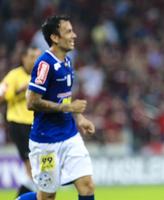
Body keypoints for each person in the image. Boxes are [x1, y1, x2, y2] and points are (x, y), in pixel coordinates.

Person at [17, 15, 96, 200]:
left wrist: (79, 117)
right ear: (55, 37)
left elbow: (65, 99)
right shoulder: (45, 64)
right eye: (68, 31)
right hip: (46, 142)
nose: (74, 35)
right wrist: (65, 109)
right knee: (47, 196)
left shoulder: (67, 62)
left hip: (70, 136)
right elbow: (31, 102)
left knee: (87, 185)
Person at [0, 46, 41, 196]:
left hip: (37, 126)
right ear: (24, 58)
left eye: (38, 57)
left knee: (38, 170)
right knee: (33, 169)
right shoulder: (13, 76)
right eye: (32, 57)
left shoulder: (41, 77)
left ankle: (22, 197)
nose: (35, 60)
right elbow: (1, 96)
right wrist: (20, 90)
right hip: (19, 125)